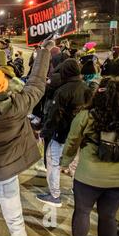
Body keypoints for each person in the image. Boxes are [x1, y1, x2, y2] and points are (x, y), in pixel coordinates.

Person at [0, 41, 53, 236]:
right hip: (8, 171)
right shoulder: (17, 106)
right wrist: (43, 52)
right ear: (4, 86)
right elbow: (37, 83)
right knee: (15, 220)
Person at [62, 78, 119, 236]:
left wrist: (65, 162)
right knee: (109, 217)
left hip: (88, 177)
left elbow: (72, 141)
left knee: (82, 213)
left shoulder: (86, 115)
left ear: (98, 94)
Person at [38, 59, 91, 207]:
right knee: (75, 164)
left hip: (61, 134)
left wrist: (45, 132)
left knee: (53, 163)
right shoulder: (86, 88)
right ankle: (78, 191)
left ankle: (54, 195)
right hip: (79, 135)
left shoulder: (63, 90)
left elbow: (55, 116)